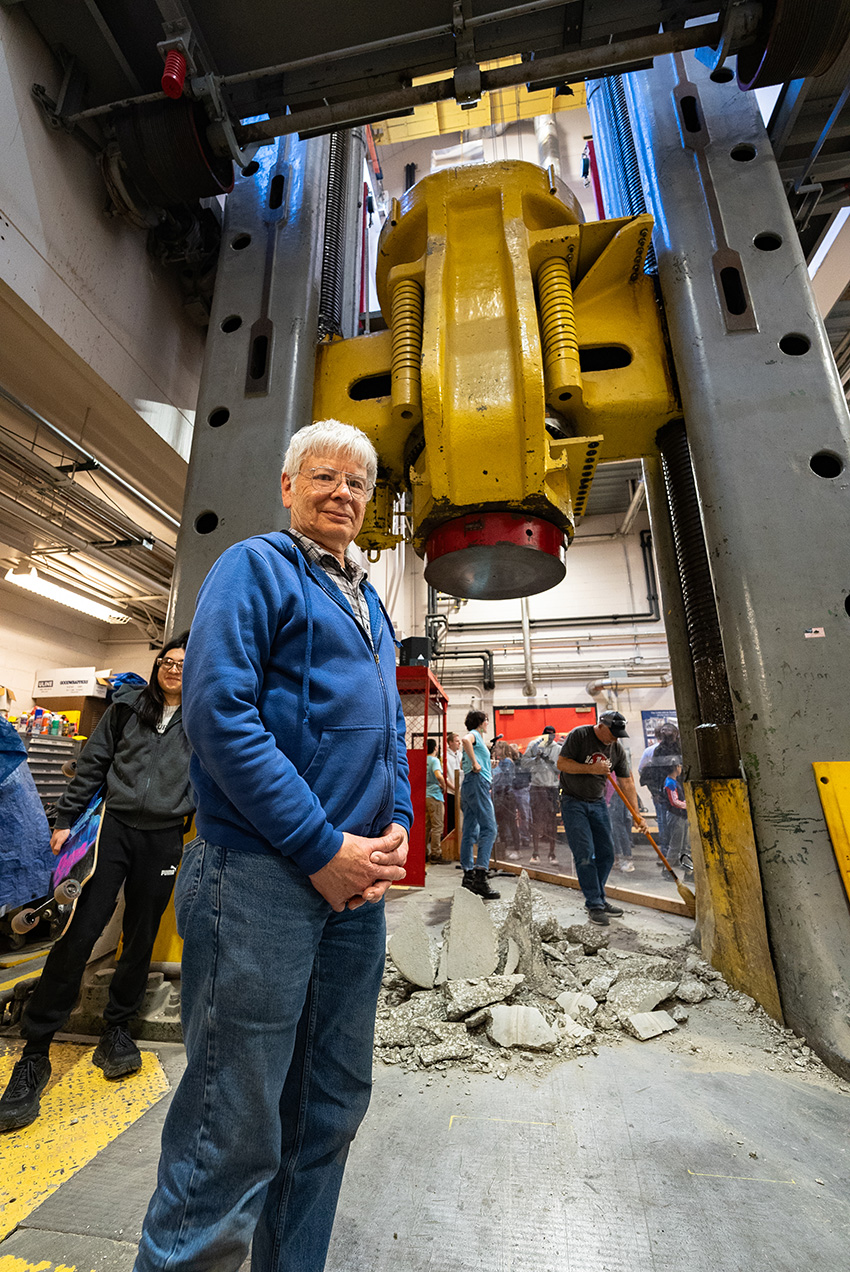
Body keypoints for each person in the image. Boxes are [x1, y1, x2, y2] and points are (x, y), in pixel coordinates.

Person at [134, 420, 411, 1272]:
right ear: (288, 486)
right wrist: (322, 845)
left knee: (328, 1111)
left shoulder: (368, 602)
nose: (343, 494)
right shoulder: (255, 569)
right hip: (260, 879)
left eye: (358, 484)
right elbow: (221, 718)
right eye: (324, 476)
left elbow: (389, 732)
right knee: (235, 1123)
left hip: (351, 892)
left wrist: (394, 824)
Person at [0, 635, 192, 1133]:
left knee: (141, 934)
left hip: (167, 839)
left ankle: (117, 1030)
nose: (173, 670)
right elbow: (93, 765)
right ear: (157, 666)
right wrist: (65, 818)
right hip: (113, 831)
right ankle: (36, 1051)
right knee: (79, 931)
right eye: (167, 661)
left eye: (183, 665)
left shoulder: (205, 716)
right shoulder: (127, 710)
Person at [557, 710, 647, 926]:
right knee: (585, 853)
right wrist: (591, 768)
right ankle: (595, 903)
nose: (615, 738)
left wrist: (636, 814)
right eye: (613, 733)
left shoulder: (616, 749)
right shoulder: (579, 735)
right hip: (573, 801)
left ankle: (596, 895)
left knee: (607, 853)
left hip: (597, 803)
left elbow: (627, 782)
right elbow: (562, 764)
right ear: (601, 725)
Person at [459, 709, 499, 899]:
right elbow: (465, 740)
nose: (487, 723)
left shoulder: (478, 740)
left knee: (469, 830)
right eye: (486, 720)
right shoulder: (474, 735)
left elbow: (462, 763)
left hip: (468, 784)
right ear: (481, 721)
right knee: (489, 829)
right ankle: (480, 877)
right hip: (477, 783)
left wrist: (481, 763)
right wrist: (476, 764)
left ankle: (468, 876)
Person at [638, 720, 680, 862]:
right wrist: (655, 792)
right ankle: (666, 856)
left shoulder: (678, 748)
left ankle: (672, 856)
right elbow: (648, 774)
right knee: (665, 824)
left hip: (675, 792)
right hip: (663, 793)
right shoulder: (657, 750)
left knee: (674, 824)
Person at [524, 724, 560, 863]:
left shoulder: (558, 749)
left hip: (552, 787)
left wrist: (549, 762)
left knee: (552, 820)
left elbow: (560, 769)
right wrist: (536, 759)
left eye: (552, 736)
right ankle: (535, 853)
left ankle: (552, 853)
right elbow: (524, 763)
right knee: (537, 819)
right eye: (547, 735)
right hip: (537, 787)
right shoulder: (534, 745)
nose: (549, 738)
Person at [663, 758, 694, 881]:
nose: (681, 769)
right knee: (675, 846)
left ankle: (689, 872)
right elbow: (674, 801)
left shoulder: (675, 781)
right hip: (676, 816)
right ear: (676, 768)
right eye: (680, 766)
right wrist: (688, 804)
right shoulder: (670, 783)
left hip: (682, 816)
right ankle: (667, 870)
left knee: (685, 846)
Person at [491, 741, 520, 861]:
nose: (495, 751)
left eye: (497, 749)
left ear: (502, 749)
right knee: (502, 823)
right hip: (501, 794)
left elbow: (502, 779)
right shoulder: (502, 762)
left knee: (510, 822)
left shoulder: (506, 762)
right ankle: (504, 848)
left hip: (506, 795)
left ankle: (516, 848)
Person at [425, 737, 446, 861]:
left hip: (424, 795)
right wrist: (443, 785)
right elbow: (438, 775)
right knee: (437, 827)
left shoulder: (423, 760)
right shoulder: (434, 760)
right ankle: (436, 853)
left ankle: (424, 852)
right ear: (435, 748)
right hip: (435, 796)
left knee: (426, 826)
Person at [444, 731, 462, 834]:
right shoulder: (445, 756)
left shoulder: (460, 755)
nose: (459, 743)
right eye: (456, 741)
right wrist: (454, 788)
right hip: (451, 792)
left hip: (460, 791)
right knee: (451, 819)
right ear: (450, 742)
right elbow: (444, 776)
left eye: (459, 742)